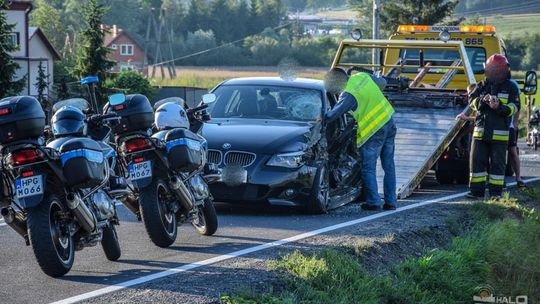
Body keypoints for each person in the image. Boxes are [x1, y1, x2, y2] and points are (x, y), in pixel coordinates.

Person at [324, 68, 397, 211]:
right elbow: (382, 82)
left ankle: (374, 202)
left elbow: (333, 115)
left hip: (373, 131)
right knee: (388, 166)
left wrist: (322, 117)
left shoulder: (348, 95)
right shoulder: (362, 76)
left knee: (368, 169)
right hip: (389, 122)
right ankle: (391, 202)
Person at [460, 54, 519, 199]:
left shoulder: (511, 87)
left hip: (500, 134)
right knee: (476, 164)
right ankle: (476, 192)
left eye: (496, 70)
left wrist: (499, 106)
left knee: (497, 166)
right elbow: (472, 100)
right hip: (480, 133)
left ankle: (496, 194)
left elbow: (514, 107)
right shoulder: (482, 85)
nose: (493, 73)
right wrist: (482, 100)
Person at [507, 79, 526, 189]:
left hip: (509, 126)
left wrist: (515, 122)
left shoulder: (512, 84)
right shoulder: (489, 82)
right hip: (494, 125)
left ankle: (518, 178)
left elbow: (517, 104)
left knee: (512, 151)